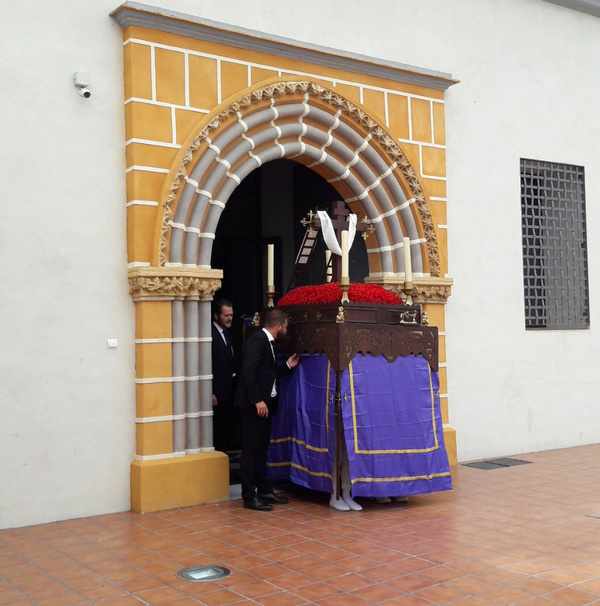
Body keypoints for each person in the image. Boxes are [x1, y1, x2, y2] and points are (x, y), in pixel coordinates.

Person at [234, 309, 299, 511]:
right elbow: (248, 371)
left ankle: (264, 490)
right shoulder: (257, 341)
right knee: (251, 451)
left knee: (262, 450)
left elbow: (267, 373)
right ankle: (248, 495)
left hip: (265, 405)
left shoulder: (269, 343)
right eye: (286, 326)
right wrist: (258, 401)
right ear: (278, 326)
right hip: (255, 406)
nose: (286, 330)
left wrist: (287, 366)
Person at [211, 299, 238, 453]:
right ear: (216, 316)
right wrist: (211, 391)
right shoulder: (209, 334)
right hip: (217, 391)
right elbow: (206, 363)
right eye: (226, 315)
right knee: (218, 426)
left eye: (231, 315)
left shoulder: (227, 334)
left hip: (229, 388)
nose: (229, 318)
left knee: (227, 423)